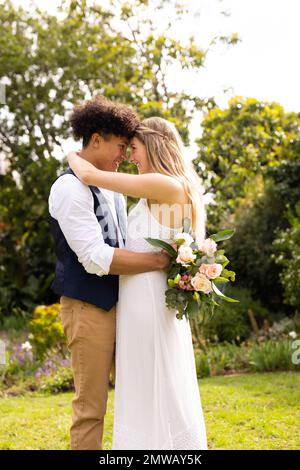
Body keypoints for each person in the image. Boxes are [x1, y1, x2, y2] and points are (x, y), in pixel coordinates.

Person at [67, 115, 208, 450]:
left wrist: (74, 154)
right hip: (144, 297)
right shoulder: (171, 187)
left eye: (134, 148)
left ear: (154, 144)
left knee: (149, 381)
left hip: (147, 299)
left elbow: (88, 174)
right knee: (150, 381)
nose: (130, 157)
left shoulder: (166, 185)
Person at [48, 96, 170, 450]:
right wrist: (158, 262)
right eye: (120, 146)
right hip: (88, 309)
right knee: (91, 408)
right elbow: (94, 257)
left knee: (141, 398)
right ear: (96, 139)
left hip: (126, 308)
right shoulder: (69, 189)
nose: (124, 155)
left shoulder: (112, 187)